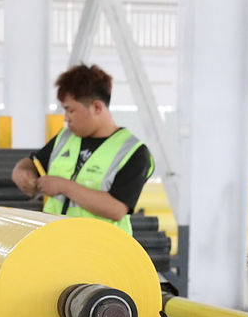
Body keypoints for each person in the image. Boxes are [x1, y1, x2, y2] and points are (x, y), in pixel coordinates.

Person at [11, 63, 154, 235]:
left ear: (97, 107)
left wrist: (64, 187)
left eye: (71, 110)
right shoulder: (65, 138)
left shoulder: (132, 152)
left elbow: (116, 209)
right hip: (56, 242)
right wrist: (21, 171)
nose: (66, 118)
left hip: (100, 247)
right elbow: (32, 162)